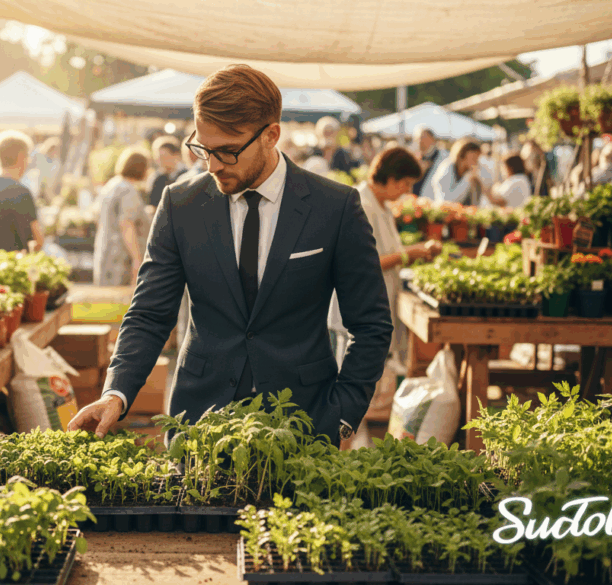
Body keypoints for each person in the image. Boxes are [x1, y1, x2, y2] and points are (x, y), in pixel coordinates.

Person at [68, 64, 393, 446]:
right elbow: (150, 313)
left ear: (272, 135)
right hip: (198, 422)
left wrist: (341, 416)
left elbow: (371, 325)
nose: (212, 165)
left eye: (227, 151)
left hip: (304, 424)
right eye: (203, 148)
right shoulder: (180, 203)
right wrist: (115, 393)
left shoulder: (335, 207)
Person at [330, 148, 442, 442]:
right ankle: (341, 457)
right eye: (404, 184)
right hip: (356, 314)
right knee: (354, 397)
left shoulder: (380, 205)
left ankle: (353, 453)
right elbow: (363, 263)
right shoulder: (362, 204)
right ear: (390, 178)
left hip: (372, 310)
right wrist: (410, 254)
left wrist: (410, 253)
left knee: (366, 396)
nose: (406, 191)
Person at [93, 149, 149, 286]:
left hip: (105, 252)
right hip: (121, 259)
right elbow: (126, 224)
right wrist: (137, 259)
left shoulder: (111, 185)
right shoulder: (128, 190)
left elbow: (96, 216)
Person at [431, 138, 482, 205]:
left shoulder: (470, 173)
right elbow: (447, 201)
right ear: (462, 155)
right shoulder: (447, 168)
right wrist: (468, 178)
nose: (476, 162)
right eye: (474, 158)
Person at [146, 136, 187, 207]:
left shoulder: (187, 175)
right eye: (157, 157)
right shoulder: (157, 178)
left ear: (176, 155)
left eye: (163, 156)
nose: (159, 161)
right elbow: (153, 203)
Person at [411, 125, 448, 199]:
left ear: (433, 139)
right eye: (417, 139)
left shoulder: (444, 157)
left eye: (422, 138)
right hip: (414, 200)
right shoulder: (415, 158)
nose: (420, 142)